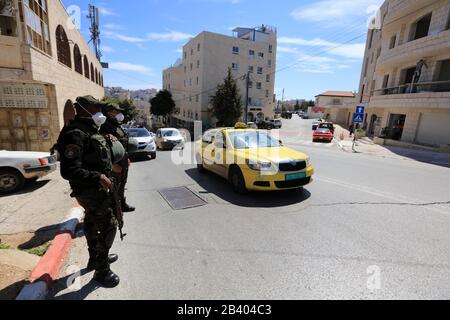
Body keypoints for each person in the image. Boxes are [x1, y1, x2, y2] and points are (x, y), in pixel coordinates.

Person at [56, 95, 123, 288]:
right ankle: (101, 270)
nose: (100, 112)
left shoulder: (89, 129)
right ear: (84, 109)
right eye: (96, 108)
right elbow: (69, 170)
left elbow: (94, 155)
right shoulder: (74, 133)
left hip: (95, 189)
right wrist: (98, 177)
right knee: (109, 224)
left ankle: (95, 258)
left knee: (92, 222)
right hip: (89, 190)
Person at [100, 102, 135, 213]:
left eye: (118, 112)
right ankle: (114, 208)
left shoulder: (116, 124)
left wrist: (126, 157)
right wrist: (112, 165)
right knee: (114, 186)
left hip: (122, 160)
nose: (118, 114)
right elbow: (103, 148)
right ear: (109, 113)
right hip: (115, 162)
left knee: (122, 183)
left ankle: (122, 204)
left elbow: (121, 143)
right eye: (116, 111)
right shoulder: (104, 126)